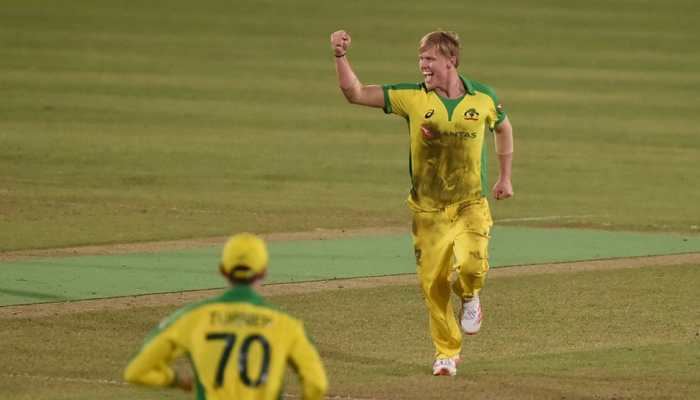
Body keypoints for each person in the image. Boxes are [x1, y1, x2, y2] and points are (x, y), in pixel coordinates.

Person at [330, 29, 514, 376]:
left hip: (470, 204)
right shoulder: (411, 98)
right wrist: (340, 57)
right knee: (434, 285)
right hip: (426, 212)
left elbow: (503, 128)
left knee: (472, 267)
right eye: (421, 59)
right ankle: (446, 352)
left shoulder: (482, 98)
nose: (423, 66)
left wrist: (505, 176)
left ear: (451, 61)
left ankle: (471, 295)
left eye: (429, 59)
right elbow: (355, 93)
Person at [123, 233, 328, 399]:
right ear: (264, 271)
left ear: (222, 270)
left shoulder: (193, 318)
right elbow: (317, 384)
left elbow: (136, 371)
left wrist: (175, 380)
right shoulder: (286, 325)